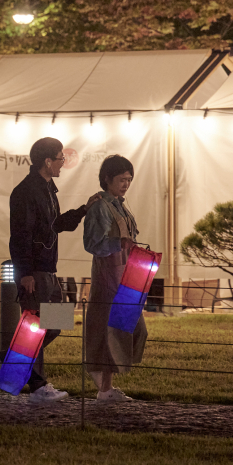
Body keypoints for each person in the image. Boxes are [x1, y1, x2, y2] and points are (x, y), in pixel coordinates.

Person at [7, 136, 97, 402]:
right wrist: (25, 273)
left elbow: (57, 225)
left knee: (55, 324)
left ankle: (13, 360)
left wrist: (83, 210)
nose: (63, 162)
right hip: (34, 272)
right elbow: (20, 236)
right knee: (36, 326)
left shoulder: (48, 189)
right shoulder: (26, 192)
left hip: (48, 269)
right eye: (60, 157)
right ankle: (37, 386)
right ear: (47, 161)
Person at [82, 155, 146, 402]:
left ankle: (104, 384)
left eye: (129, 179)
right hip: (109, 278)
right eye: (122, 179)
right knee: (109, 330)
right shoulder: (100, 207)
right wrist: (118, 243)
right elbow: (92, 244)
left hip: (127, 277)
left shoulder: (120, 205)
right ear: (107, 178)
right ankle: (104, 387)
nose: (126, 184)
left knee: (131, 330)